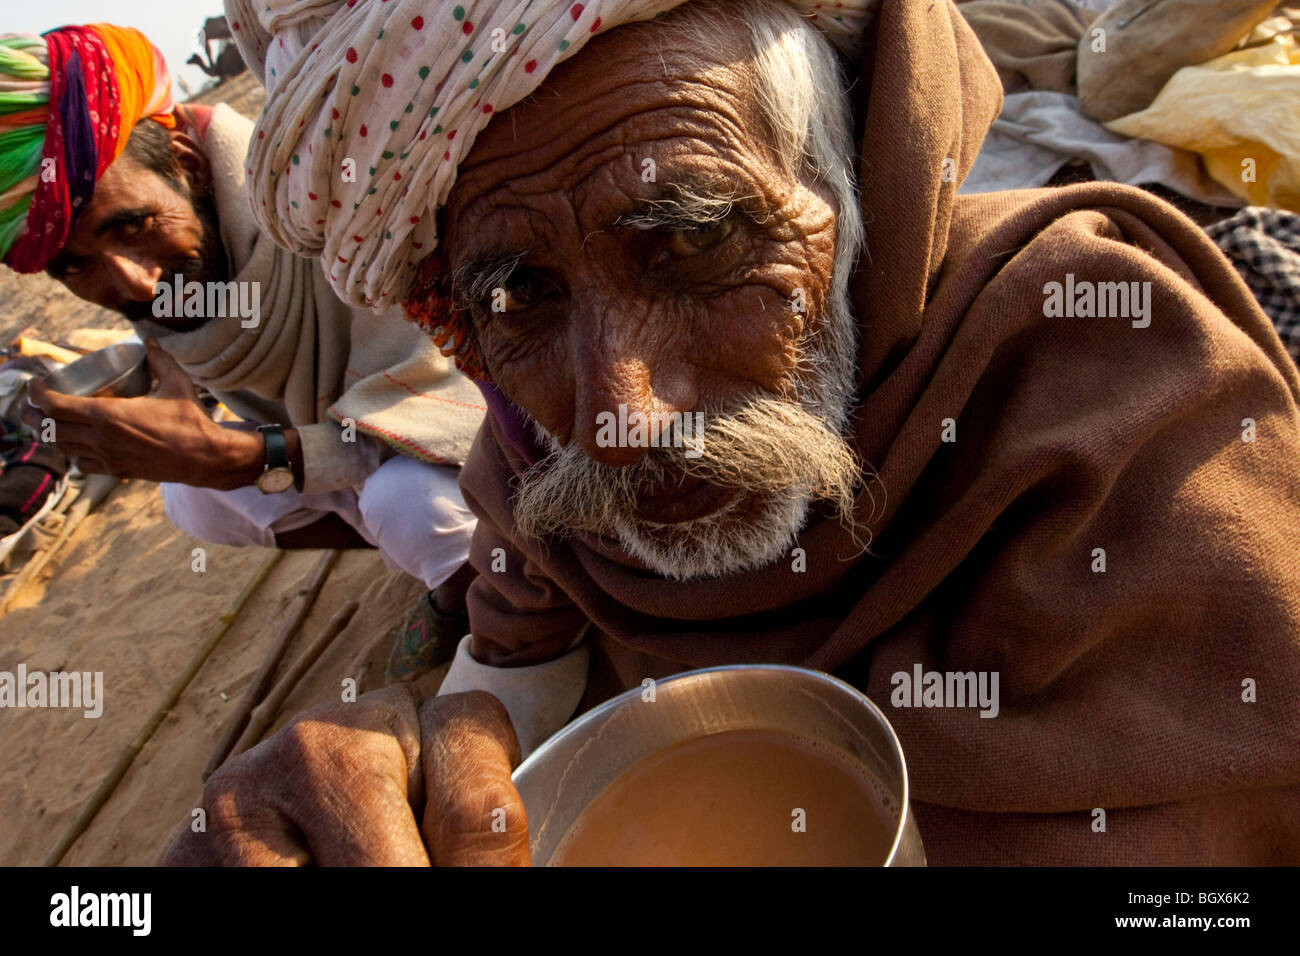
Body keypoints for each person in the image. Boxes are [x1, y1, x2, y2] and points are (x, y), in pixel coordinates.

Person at [166, 0, 1300, 866]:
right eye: (520, 300)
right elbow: (512, 667)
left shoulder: (1104, 380)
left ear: (861, 184)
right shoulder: (527, 468)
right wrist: (396, 774)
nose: (619, 419)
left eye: (699, 242)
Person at [0, 25, 485, 675]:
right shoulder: (166, 283)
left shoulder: (317, 207)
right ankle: (424, 552)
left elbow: (452, 405)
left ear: (189, 164)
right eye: (75, 267)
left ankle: (472, 583)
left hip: (475, 425)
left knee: (406, 504)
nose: (133, 284)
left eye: (133, 226)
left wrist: (248, 455)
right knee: (189, 496)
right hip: (340, 444)